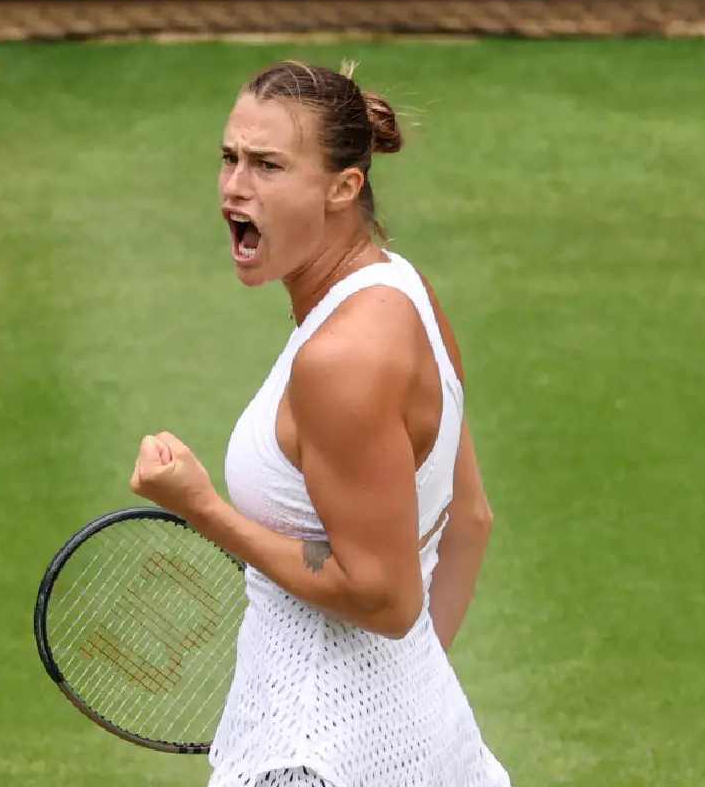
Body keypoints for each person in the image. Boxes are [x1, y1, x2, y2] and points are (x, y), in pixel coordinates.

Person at [130, 59, 509, 787]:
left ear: (344, 187)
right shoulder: (404, 290)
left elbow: (385, 599)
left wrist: (200, 508)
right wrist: (405, 695)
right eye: (230, 158)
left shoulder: (341, 360)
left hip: (310, 756)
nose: (236, 186)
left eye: (269, 165)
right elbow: (470, 521)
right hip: (428, 740)